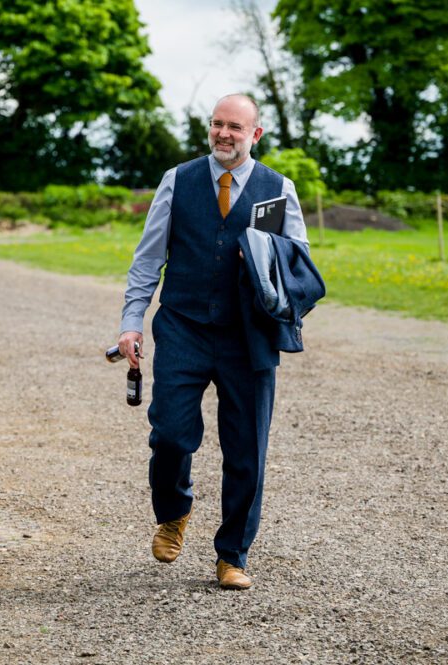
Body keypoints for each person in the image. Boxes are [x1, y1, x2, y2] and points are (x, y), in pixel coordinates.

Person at [116, 94, 310, 590]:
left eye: (235, 127)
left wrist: (269, 262)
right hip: (184, 326)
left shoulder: (278, 189)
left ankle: (232, 555)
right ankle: (173, 512)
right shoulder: (177, 180)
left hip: (249, 336)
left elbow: (298, 265)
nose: (224, 134)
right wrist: (131, 322)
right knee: (170, 434)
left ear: (255, 135)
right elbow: (148, 258)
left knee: (247, 449)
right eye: (217, 124)